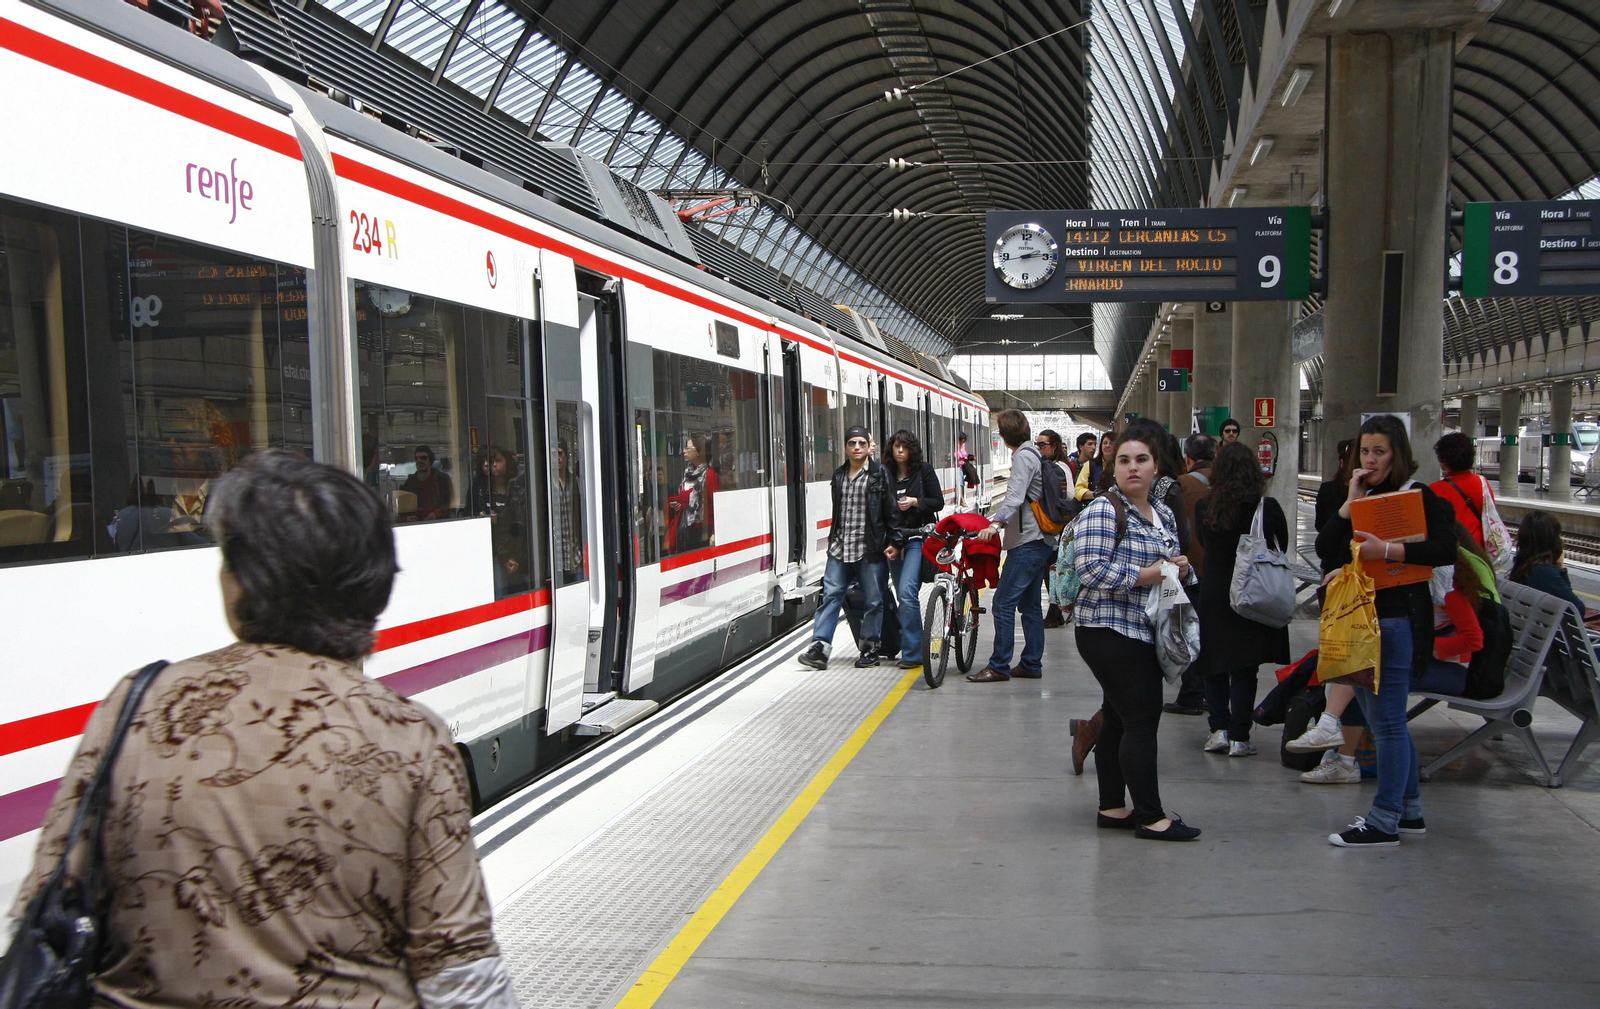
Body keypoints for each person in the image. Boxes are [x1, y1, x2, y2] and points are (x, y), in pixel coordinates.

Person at [9, 450, 518, 1008]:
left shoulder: (137, 706)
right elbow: (460, 971)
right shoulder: (410, 738)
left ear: (237, 587)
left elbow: (47, 901)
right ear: (374, 587)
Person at [1315, 414, 1456, 846]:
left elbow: (1444, 549)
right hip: (1361, 621)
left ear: (1398, 454)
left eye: (1379, 452)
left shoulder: (1421, 497)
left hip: (1395, 622)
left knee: (1389, 724)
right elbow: (1326, 548)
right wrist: (1349, 502)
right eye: (1365, 451)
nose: (1370, 460)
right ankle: (1409, 811)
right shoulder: (1363, 495)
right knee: (1385, 720)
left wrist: (1390, 549)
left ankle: (1384, 820)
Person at [1073, 427, 1200, 840]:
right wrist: (1149, 574)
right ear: (1114, 467)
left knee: (1116, 718)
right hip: (1106, 628)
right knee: (1142, 720)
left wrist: (1180, 568)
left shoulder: (1159, 511)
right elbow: (1090, 570)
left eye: (1141, 460)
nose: (1132, 467)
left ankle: (1112, 808)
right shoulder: (1103, 511)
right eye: (1124, 460)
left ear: (1156, 466)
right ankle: (1151, 816)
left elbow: (1173, 564)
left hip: (1142, 628)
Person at [1193, 441, 1292, 757]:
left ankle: (1218, 730)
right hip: (1251, 591)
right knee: (1245, 667)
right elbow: (1281, 544)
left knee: (1214, 664)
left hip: (1214, 591)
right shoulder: (1266, 507)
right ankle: (1239, 736)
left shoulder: (1205, 507)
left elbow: (1204, 544)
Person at [969, 410, 1058, 682]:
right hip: (1038, 541)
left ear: (1005, 434)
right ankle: (1031, 664)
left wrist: (994, 525)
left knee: (1003, 604)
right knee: (1029, 606)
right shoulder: (1034, 453)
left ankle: (998, 666)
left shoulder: (1022, 456)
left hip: (1028, 542)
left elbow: (1014, 497)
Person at [798, 426, 896, 669]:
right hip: (840, 548)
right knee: (830, 596)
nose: (857, 447)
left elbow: (890, 510)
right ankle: (820, 647)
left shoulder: (879, 474)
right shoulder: (839, 475)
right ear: (845, 447)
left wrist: (894, 541)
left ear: (868, 446)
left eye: (862, 443)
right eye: (852, 443)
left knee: (874, 600)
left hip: (869, 548)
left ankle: (870, 648)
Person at [1159, 432, 1217, 717]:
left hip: (1189, 569)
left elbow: (1179, 534)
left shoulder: (1179, 486)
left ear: (1189, 457)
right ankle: (1212, 691)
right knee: (1209, 630)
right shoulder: (1227, 483)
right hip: (1219, 570)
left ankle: (1193, 693)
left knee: (1188, 632)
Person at [884, 429, 943, 668]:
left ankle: (913, 653)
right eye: (897, 446)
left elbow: (937, 501)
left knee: (908, 593)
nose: (900, 451)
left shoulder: (923, 471)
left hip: (918, 538)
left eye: (905, 447)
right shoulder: (885, 474)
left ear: (912, 450)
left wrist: (916, 502)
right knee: (901, 594)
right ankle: (914, 646)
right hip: (893, 542)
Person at [1511, 510, 1585, 617]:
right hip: (1544, 632)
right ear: (1551, 541)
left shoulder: (1522, 566)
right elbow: (1578, 610)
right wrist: (1561, 568)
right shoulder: (1543, 572)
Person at [482, 445, 534, 593]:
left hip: (516, 554)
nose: (493, 465)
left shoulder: (517, 488)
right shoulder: (480, 491)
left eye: (498, 460)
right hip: (494, 553)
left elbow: (520, 526)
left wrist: (514, 557)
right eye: (489, 461)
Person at [1035, 430, 1074, 628]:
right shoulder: (1053, 466)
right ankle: (1055, 613)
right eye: (1037, 444)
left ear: (1054, 446)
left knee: (1052, 571)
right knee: (1051, 570)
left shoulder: (1059, 467)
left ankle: (1055, 612)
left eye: (1042, 445)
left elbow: (1069, 495)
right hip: (1056, 525)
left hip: (1058, 525)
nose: (1039, 448)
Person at [667, 433, 719, 554]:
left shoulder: (710, 475)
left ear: (699, 452)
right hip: (685, 530)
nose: (684, 451)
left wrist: (714, 533)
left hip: (702, 532)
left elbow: (718, 506)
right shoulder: (687, 474)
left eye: (688, 448)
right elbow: (684, 498)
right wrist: (675, 504)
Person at [400, 444, 454, 521]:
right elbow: (402, 507)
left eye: (423, 458)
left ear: (430, 461)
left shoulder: (443, 479)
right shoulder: (410, 482)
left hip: (439, 523)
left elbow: (452, 503)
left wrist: (436, 514)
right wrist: (406, 518)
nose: (419, 461)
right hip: (415, 525)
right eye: (416, 458)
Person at [1316, 439, 1357, 532]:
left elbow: (1319, 525)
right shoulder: (1373, 492)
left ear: (1342, 463)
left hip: (1331, 544)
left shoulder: (1326, 490)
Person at [1075, 431, 1115, 502]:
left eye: (1111, 443)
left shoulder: (1122, 465)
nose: (1107, 445)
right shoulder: (1091, 464)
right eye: (1105, 443)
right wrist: (1096, 494)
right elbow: (1078, 490)